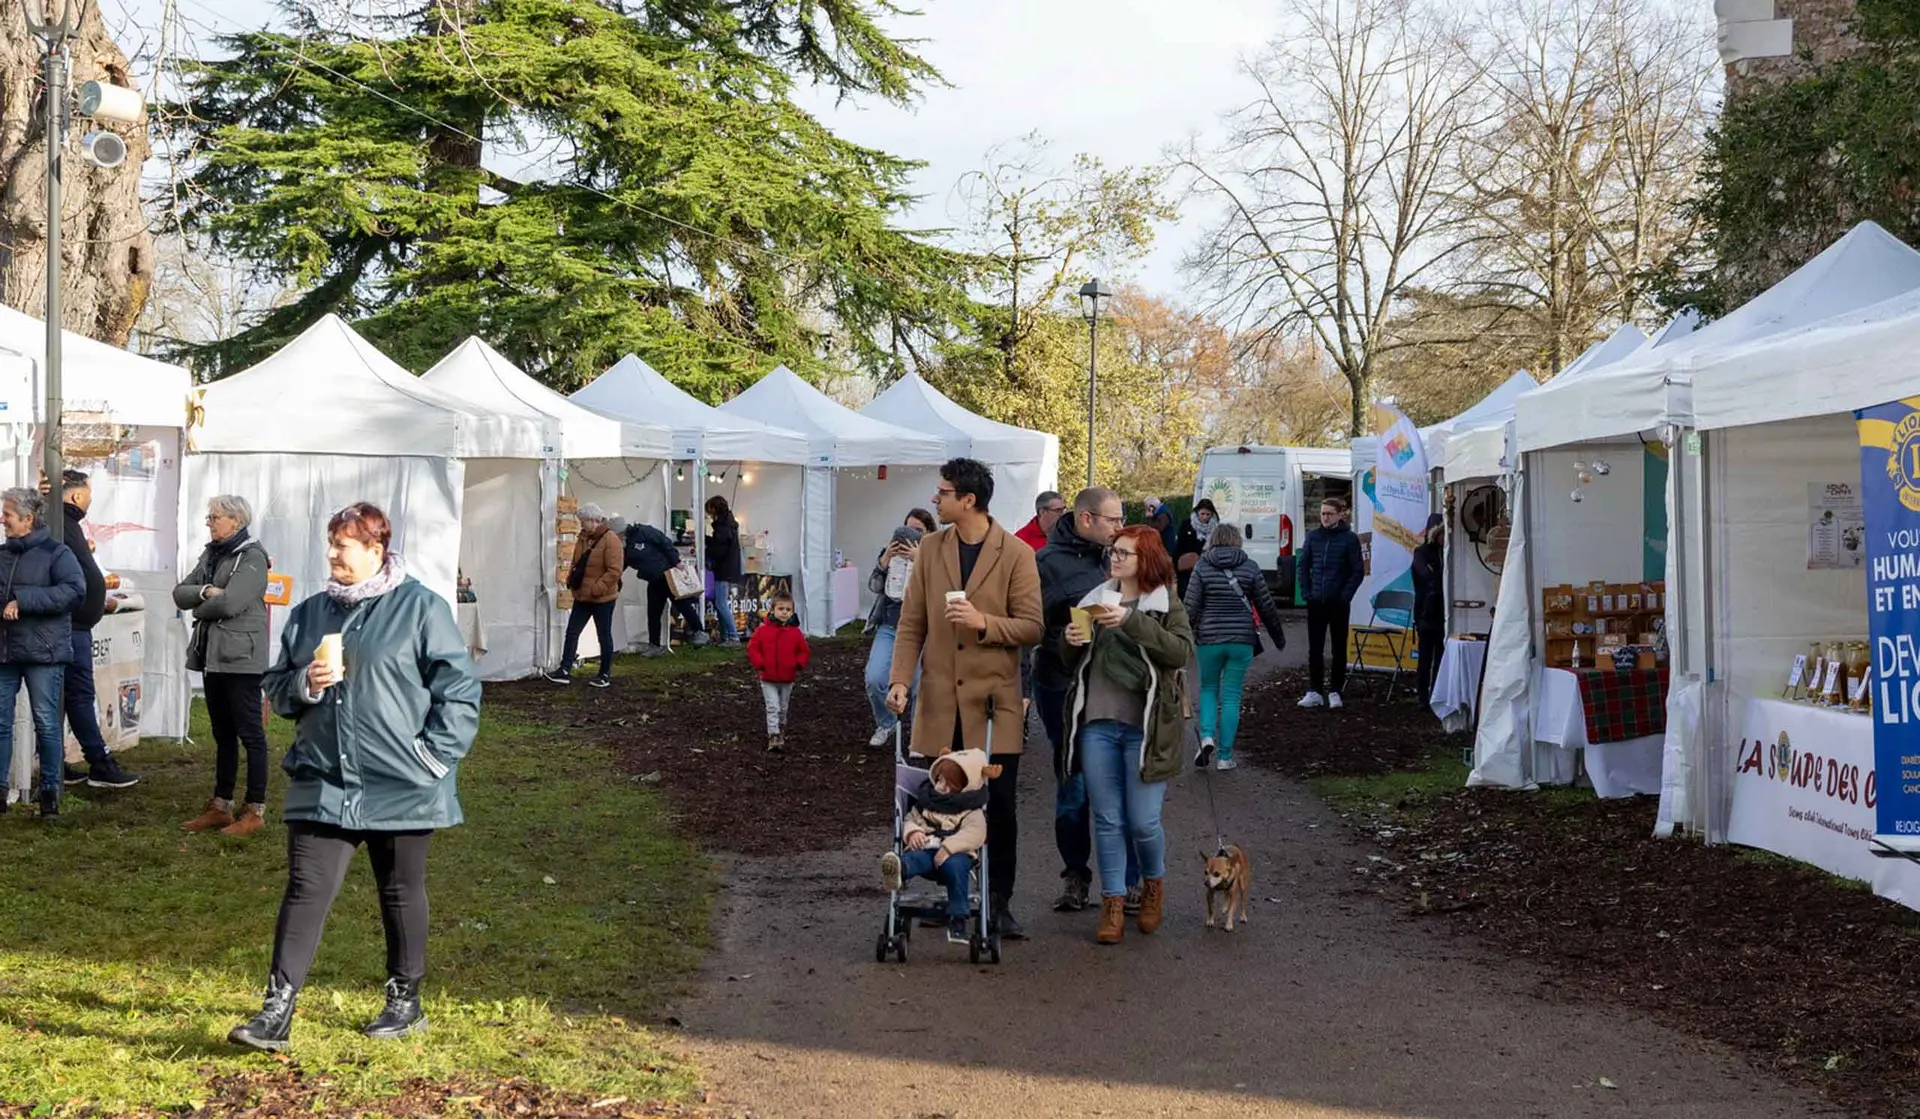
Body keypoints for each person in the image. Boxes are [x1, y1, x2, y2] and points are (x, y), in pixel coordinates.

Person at [228, 502, 481, 1052]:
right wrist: (305, 683)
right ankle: (277, 1011)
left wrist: (432, 760)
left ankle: (404, 1001)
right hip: (324, 779)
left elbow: (459, 691)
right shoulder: (312, 612)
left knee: (399, 890)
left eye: (344, 545)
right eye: (331, 543)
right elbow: (276, 686)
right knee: (305, 890)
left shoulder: (421, 609)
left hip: (404, 781)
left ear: (376, 550)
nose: (333, 554)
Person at [887, 458, 1042, 940]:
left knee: (997, 807)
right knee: (930, 801)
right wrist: (899, 680)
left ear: (968, 500)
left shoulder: (1016, 553)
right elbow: (912, 622)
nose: (936, 498)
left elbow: (1034, 626)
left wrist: (984, 624)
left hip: (993, 708)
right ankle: (944, 893)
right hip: (936, 703)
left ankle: (998, 902)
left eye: (944, 492)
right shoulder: (930, 549)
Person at [1059, 524, 1194, 945]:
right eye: (1113, 551)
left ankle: (1153, 883)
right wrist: (1070, 640)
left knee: (1142, 821)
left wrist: (1133, 621)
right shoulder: (1095, 599)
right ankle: (1112, 901)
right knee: (1106, 818)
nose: (1115, 558)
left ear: (1146, 559)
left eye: (1125, 553)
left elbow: (1180, 652)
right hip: (1097, 723)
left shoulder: (1163, 601)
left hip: (1146, 728)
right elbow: (1070, 661)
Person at [1035, 486, 1138, 915]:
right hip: (1062, 683)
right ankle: (1075, 874)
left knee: (1124, 780)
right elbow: (1031, 625)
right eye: (1113, 520)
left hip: (1116, 682)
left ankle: (1131, 882)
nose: (1120, 527)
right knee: (1073, 778)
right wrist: (1072, 620)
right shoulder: (1044, 563)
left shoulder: (1123, 555)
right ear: (1085, 519)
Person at [176, 495, 274, 834]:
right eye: (209, 516)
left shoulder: (253, 557)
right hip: (214, 658)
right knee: (223, 734)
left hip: (242, 661)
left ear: (236, 520)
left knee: (251, 735)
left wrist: (202, 605)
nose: (209, 522)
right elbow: (179, 592)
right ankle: (221, 805)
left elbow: (231, 602)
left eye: (215, 516)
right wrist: (206, 592)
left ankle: (255, 810)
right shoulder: (211, 554)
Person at [0, 489, 83, 818]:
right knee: (0, 723)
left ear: (27, 518)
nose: (2, 519)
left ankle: (49, 793)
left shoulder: (57, 553)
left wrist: (24, 600)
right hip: (5, 651)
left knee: (47, 723)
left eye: (7, 513)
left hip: (43, 652)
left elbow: (75, 591)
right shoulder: (2, 554)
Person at [54, 470, 139, 789]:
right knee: (77, 694)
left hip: (75, 623)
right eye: (89, 493)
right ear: (76, 495)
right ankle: (99, 762)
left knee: (65, 697)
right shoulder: (59, 521)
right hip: (69, 626)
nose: (90, 500)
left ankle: (57, 764)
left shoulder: (66, 523)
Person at [1184, 523, 1288, 771]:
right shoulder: (1250, 567)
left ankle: (1207, 736)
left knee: (1208, 689)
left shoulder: (1201, 567)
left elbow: (1190, 607)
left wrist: (1181, 638)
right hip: (1241, 640)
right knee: (1231, 697)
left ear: (1213, 540)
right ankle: (1225, 756)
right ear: (1238, 541)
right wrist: (1278, 638)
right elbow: (1266, 606)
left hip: (1208, 640)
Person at [880, 748, 991, 944]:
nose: (941, 787)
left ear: (964, 787)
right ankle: (898, 871)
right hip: (927, 850)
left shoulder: (971, 811)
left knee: (956, 870)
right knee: (914, 858)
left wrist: (948, 847)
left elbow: (975, 834)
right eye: (939, 781)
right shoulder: (926, 802)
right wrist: (913, 832)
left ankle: (958, 918)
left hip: (956, 855)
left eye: (949, 784)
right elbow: (909, 818)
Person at [863, 508, 936, 747]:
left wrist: (920, 559)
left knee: (916, 684)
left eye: (918, 531)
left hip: (922, 629)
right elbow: (874, 587)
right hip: (890, 624)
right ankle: (887, 724)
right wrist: (884, 561)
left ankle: (918, 736)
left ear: (928, 533)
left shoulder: (934, 555)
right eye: (907, 529)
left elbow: (939, 590)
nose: (911, 536)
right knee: (874, 678)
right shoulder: (889, 554)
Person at [1297, 497, 1365, 709]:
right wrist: (1307, 592)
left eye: (1329, 513)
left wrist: (1345, 596)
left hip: (1338, 601)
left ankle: (1336, 690)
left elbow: (1357, 570)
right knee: (1315, 648)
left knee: (1338, 647)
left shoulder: (1349, 539)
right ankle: (1315, 690)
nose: (1325, 517)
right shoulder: (1313, 537)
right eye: (1323, 513)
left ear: (1340, 514)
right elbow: (1303, 566)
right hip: (1316, 600)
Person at [549, 503, 623, 688]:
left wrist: (597, 589)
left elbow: (615, 571)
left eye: (583, 522)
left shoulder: (611, 539)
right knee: (572, 632)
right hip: (583, 595)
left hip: (602, 598)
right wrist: (573, 582)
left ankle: (604, 674)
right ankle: (564, 669)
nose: (582, 525)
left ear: (593, 521)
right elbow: (576, 562)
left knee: (603, 635)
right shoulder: (583, 537)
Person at [624, 515, 706, 655]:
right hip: (653, 579)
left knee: (682, 604)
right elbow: (623, 562)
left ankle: (700, 632)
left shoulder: (644, 531)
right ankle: (655, 645)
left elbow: (665, 542)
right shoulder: (625, 545)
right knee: (654, 612)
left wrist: (676, 561)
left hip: (667, 575)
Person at [746, 592, 810, 752]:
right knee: (772, 706)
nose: (784, 612)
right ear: (772, 609)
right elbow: (753, 648)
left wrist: (798, 664)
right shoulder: (763, 631)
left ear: (792, 612)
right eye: (781, 608)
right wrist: (760, 663)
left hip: (788, 677)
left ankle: (781, 728)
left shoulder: (795, 633)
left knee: (783, 707)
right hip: (768, 677)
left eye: (788, 609)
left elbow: (803, 650)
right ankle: (773, 735)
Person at [1411, 513, 1446, 708]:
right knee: (1425, 657)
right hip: (1426, 611)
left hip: (1441, 611)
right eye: (1440, 534)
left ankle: (1436, 692)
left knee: (1440, 656)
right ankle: (1423, 695)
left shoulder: (1445, 553)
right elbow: (1425, 574)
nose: (1444, 538)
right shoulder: (1422, 552)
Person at [705, 496, 744, 647]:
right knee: (720, 602)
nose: (708, 514)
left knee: (721, 603)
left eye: (709, 510)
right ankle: (725, 636)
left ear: (714, 508)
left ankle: (733, 637)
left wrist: (708, 548)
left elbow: (719, 550)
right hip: (729, 568)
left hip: (723, 569)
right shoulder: (729, 524)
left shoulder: (722, 527)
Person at [1172, 498, 1216, 599]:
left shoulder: (1215, 528)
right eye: (1202, 514)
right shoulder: (1187, 524)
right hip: (1187, 568)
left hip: (1205, 568)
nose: (1205, 517)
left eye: (1208, 514)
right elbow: (1179, 546)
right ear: (1197, 512)